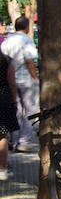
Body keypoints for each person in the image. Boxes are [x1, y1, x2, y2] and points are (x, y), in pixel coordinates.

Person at [2, 16, 39, 152]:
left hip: (9, 79)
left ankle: (14, 139)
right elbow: (30, 62)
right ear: (27, 26)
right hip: (25, 79)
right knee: (30, 110)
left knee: (14, 109)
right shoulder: (26, 40)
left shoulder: (7, 41)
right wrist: (35, 79)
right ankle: (24, 141)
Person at [0, 46, 18, 180]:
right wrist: (14, 101)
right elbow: (12, 83)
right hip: (3, 98)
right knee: (2, 135)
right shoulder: (6, 60)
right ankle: (2, 169)